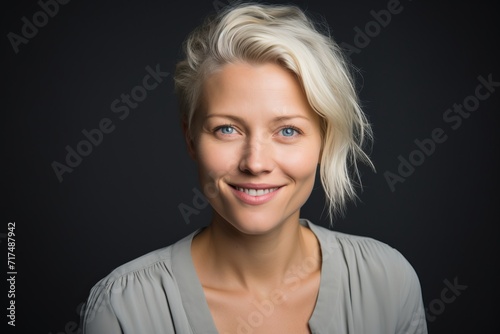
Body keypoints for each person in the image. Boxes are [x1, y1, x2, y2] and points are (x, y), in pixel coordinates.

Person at [81, 2, 428, 333]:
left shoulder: (389, 283)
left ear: (324, 140)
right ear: (190, 139)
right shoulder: (123, 309)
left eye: (288, 131)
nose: (256, 163)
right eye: (226, 129)